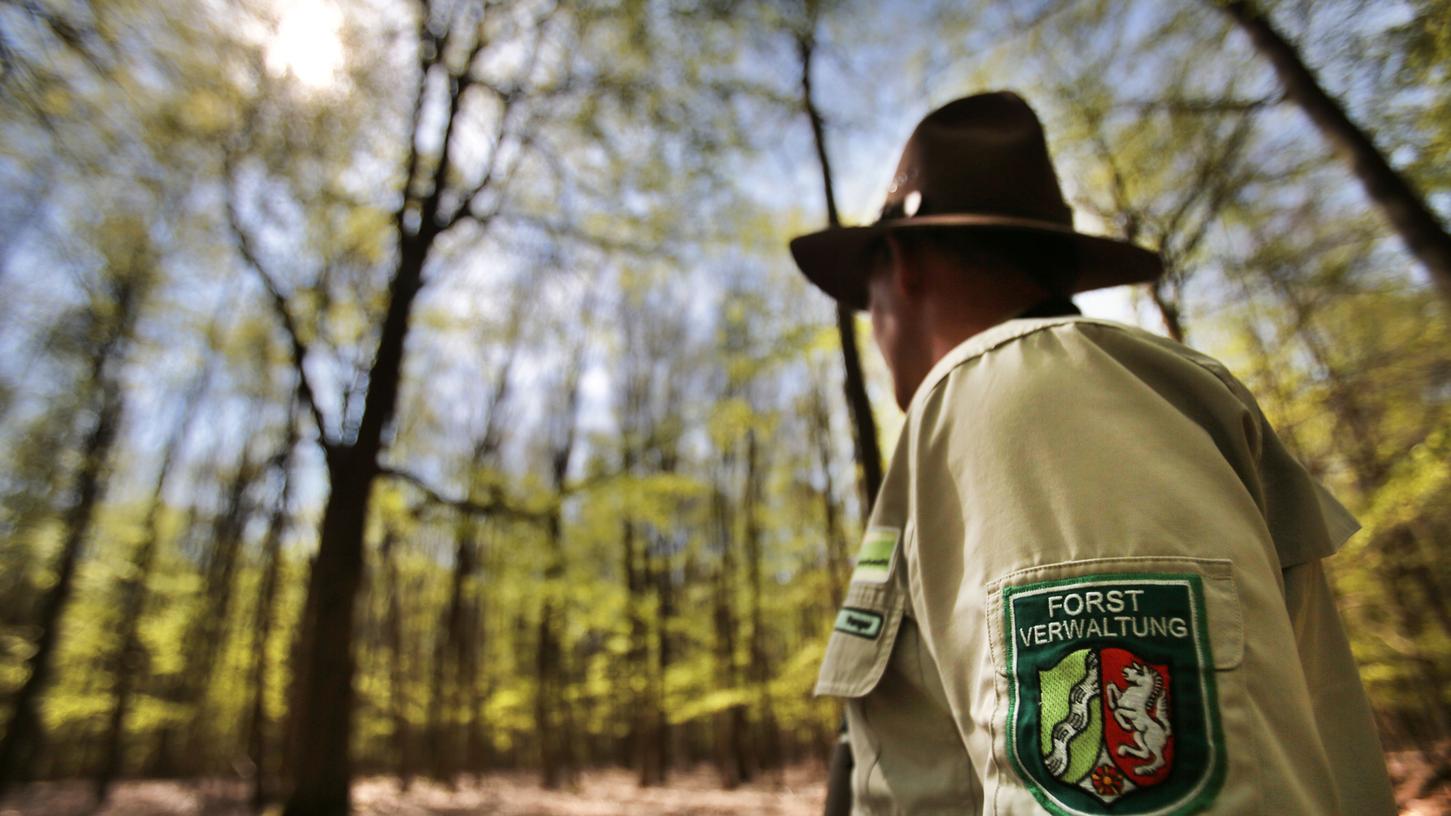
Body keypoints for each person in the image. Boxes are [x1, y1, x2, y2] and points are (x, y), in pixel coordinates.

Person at [789, 91, 1397, 816]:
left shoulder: (1025, 398)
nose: (873, 324)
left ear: (902, 262)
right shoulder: (1012, 411)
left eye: (867, 294)